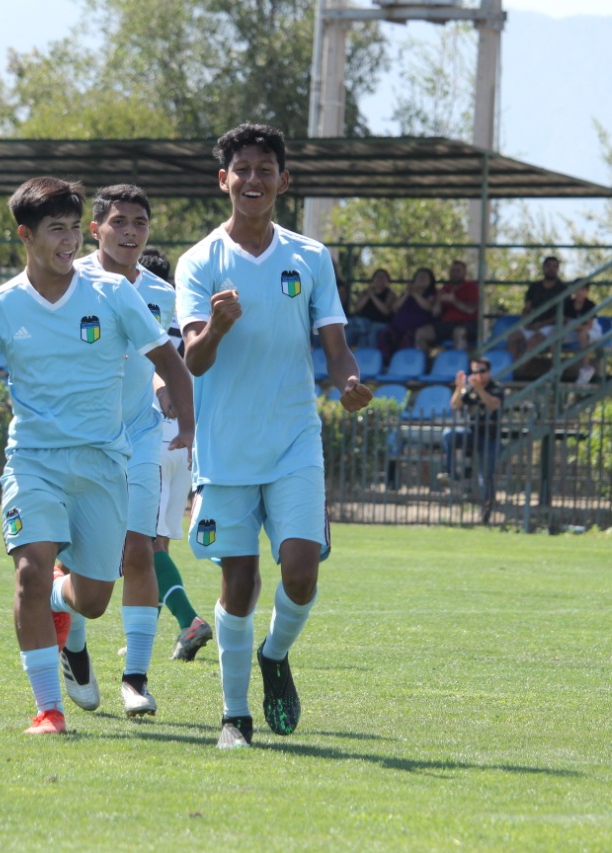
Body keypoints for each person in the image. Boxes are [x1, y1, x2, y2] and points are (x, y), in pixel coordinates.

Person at [0, 177, 193, 736]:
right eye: (57, 230)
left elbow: (171, 363)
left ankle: (56, 597)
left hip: (103, 463)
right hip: (34, 460)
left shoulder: (114, 294)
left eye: (74, 229)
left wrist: (188, 426)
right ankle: (48, 709)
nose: (70, 241)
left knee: (92, 601)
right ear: (26, 236)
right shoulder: (0, 306)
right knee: (28, 571)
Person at [175, 123, 372, 749]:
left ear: (283, 181)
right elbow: (194, 361)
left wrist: (349, 383)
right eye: (242, 169)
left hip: (294, 439)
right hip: (226, 448)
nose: (253, 179)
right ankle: (234, 717)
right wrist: (217, 327)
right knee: (238, 585)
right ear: (223, 180)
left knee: (301, 572)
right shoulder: (199, 261)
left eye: (265, 169)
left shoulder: (310, 257)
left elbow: (336, 348)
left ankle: (275, 654)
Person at [53, 185, 197, 719]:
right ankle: (73, 646)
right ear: (96, 229)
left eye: (140, 222)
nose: (130, 232)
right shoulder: (69, 281)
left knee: (141, 550)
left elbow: (167, 363)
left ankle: (135, 680)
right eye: (119, 222)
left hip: (139, 435)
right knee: (78, 561)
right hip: (79, 438)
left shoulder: (162, 294)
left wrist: (181, 417)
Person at [138, 246, 212, 663]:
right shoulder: (184, 313)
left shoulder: (136, 308)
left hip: (151, 437)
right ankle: (144, 635)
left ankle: (189, 620)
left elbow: (150, 368)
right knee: (156, 545)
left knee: (142, 544)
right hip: (185, 440)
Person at [439, 356, 506, 523]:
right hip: (472, 434)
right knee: (448, 434)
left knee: (485, 477)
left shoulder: (496, 387)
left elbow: (493, 405)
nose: (478, 374)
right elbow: (455, 405)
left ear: (489, 372)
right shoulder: (469, 388)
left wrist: (480, 389)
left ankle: (486, 511)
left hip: (490, 437)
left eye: (482, 371)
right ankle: (451, 473)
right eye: (474, 371)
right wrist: (459, 387)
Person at [508, 255, 569, 360]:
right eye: (548, 266)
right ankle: (511, 369)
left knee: (533, 342)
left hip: (551, 327)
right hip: (533, 325)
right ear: (543, 268)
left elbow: (563, 315)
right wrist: (525, 321)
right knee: (512, 337)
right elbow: (527, 308)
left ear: (558, 269)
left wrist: (540, 325)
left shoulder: (563, 289)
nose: (551, 269)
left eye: (554, 266)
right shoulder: (534, 287)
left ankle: (521, 369)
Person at [420, 259, 479, 352]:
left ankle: (458, 360)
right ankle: (424, 360)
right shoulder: (445, 288)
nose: (454, 273)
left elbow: (471, 310)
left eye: (458, 271)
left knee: (459, 332)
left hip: (467, 324)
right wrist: (438, 301)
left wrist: (454, 301)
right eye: (452, 271)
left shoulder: (472, 287)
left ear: (465, 273)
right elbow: (435, 313)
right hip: (447, 324)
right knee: (422, 333)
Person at [378, 267, 436, 360]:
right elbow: (394, 307)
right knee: (385, 334)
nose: (421, 279)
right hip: (397, 327)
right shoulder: (406, 294)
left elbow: (428, 307)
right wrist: (406, 294)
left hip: (416, 328)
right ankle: (386, 362)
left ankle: (406, 363)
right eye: (419, 277)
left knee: (407, 340)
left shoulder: (432, 294)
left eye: (424, 277)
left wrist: (415, 294)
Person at [346, 268, 395, 349]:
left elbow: (386, 311)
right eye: (377, 277)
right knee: (350, 331)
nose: (379, 279)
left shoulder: (390, 294)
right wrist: (367, 295)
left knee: (371, 333)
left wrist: (373, 296)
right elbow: (357, 308)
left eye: (382, 277)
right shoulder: (365, 292)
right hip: (363, 321)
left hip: (380, 322)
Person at [565, 282, 603, 385]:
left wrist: (574, 327)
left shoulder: (590, 305)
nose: (580, 292)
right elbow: (565, 321)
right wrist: (571, 327)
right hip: (573, 331)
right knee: (555, 334)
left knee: (582, 334)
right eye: (577, 289)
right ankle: (555, 369)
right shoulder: (568, 304)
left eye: (583, 290)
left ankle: (586, 368)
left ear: (587, 291)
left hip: (592, 332)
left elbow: (589, 326)